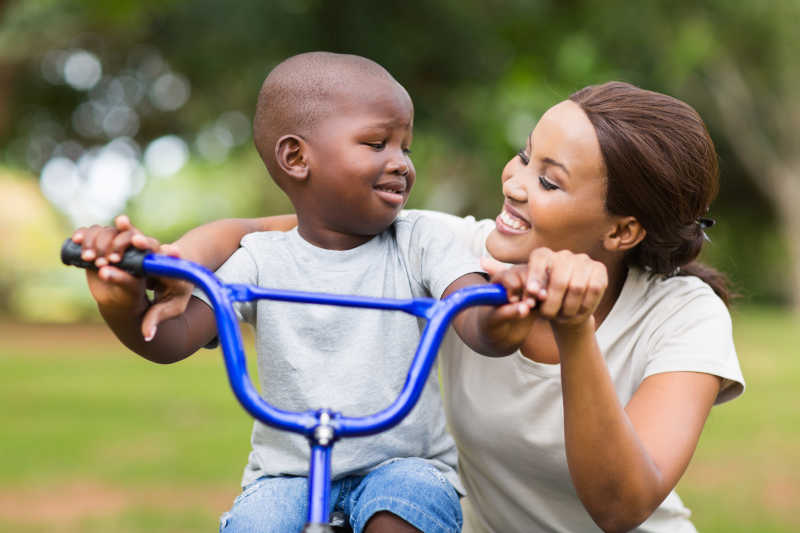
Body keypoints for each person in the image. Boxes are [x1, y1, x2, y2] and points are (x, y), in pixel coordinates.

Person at [77, 81, 745, 532]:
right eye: (522, 155)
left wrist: (574, 332)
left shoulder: (684, 316)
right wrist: (166, 267)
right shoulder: (446, 247)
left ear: (622, 231)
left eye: (548, 179)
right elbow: (256, 231)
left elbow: (620, 503)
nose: (512, 182)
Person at [70, 52, 534, 533]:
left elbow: (478, 324)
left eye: (406, 148)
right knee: (256, 525)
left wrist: (506, 313)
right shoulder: (259, 260)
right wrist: (120, 303)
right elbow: (170, 341)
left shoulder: (419, 242)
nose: (400, 164)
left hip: (403, 465)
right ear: (296, 157)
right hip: (287, 473)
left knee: (402, 512)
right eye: (377, 143)